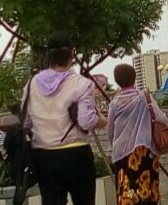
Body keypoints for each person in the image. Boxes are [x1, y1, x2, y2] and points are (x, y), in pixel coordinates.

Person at [23, 31, 107, 205]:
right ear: (72, 55)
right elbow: (86, 121)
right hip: (76, 154)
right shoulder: (82, 84)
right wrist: (102, 120)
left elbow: (26, 122)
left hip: (44, 156)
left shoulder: (31, 84)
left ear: (49, 56)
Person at [107, 64, 168, 205]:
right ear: (134, 78)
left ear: (117, 81)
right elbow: (161, 118)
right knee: (149, 190)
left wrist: (113, 148)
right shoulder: (144, 97)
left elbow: (110, 130)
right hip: (146, 150)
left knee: (127, 190)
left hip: (123, 154)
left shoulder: (114, 103)